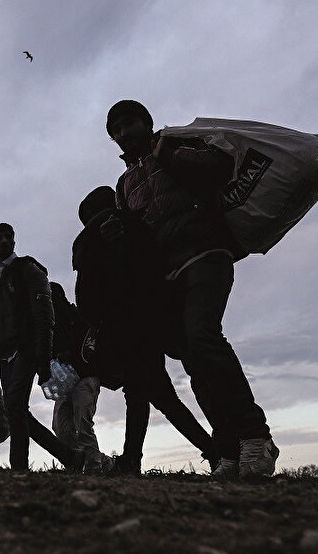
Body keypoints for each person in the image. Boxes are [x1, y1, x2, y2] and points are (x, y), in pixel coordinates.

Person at [104, 99, 278, 478]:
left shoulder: (175, 145)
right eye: (115, 130)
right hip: (169, 275)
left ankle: (255, 436)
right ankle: (228, 449)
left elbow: (218, 168)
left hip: (206, 252)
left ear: (146, 123)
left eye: (129, 123)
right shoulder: (123, 186)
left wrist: (168, 153)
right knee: (193, 358)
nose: (123, 133)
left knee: (203, 336)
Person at [73, 186, 218, 475]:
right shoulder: (137, 226)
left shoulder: (87, 240)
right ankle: (133, 459)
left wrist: (93, 323)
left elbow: (85, 294)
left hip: (120, 328)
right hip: (149, 324)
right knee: (142, 395)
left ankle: (213, 451)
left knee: (158, 397)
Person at [0, 223, 84, 472]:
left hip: (26, 349)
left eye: (8, 237)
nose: (3, 241)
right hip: (5, 354)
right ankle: (70, 457)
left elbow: (44, 315)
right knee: (16, 411)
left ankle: (18, 468)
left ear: (14, 243)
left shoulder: (29, 269)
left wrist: (43, 356)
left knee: (15, 407)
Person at [48, 282, 114, 474]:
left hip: (86, 378)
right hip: (66, 382)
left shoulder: (79, 320)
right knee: (61, 428)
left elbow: (91, 349)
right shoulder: (51, 326)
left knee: (82, 425)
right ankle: (99, 462)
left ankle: (94, 467)